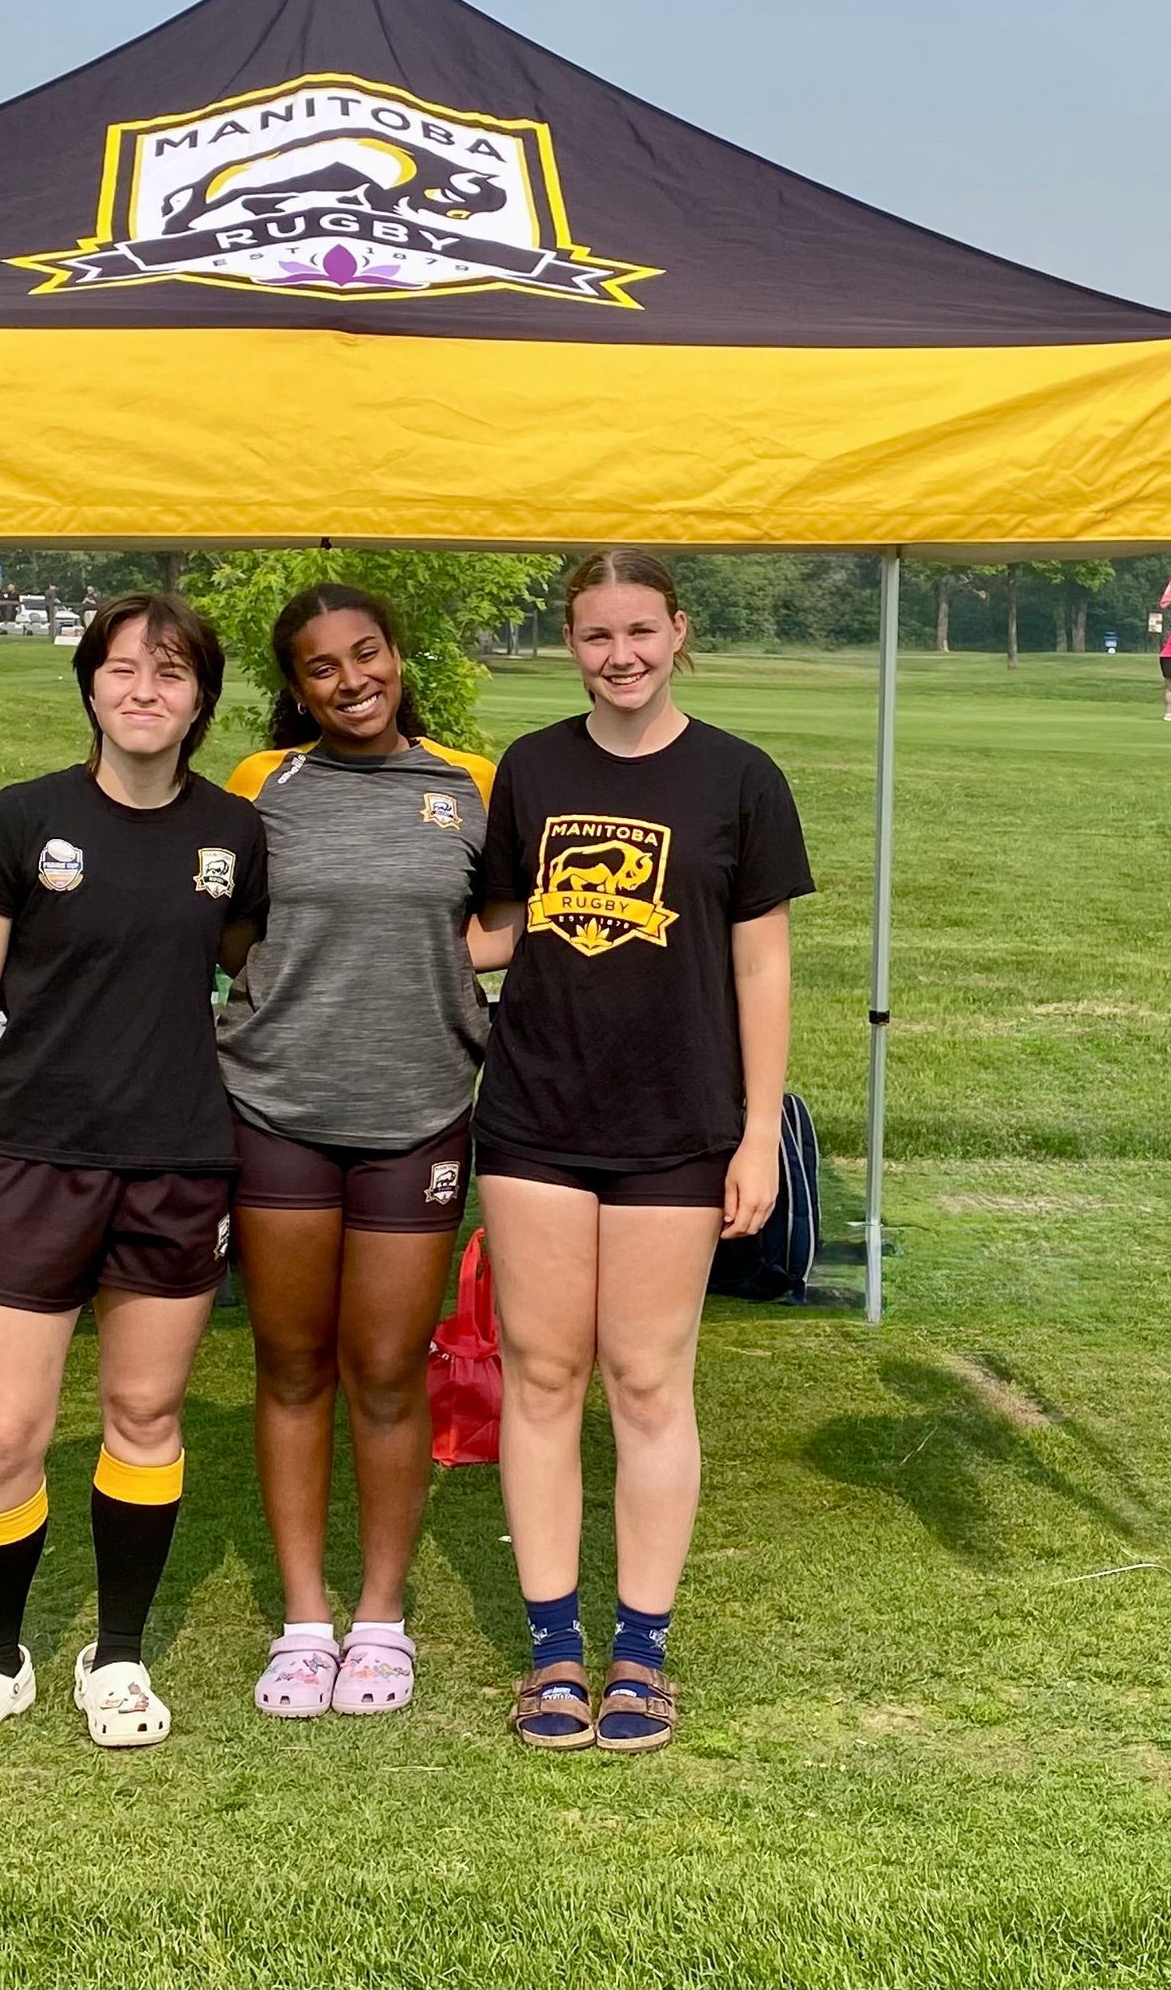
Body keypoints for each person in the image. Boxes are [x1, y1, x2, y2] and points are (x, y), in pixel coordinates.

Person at [0, 591, 267, 1755]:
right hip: (28, 1159)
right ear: (90, 685)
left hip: (176, 1163)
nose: (143, 690)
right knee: (6, 1430)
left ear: (201, 697)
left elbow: (241, 975)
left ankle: (116, 1655)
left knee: (145, 1411)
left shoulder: (233, 836)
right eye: (121, 669)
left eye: (169, 673)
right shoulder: (21, 822)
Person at [473, 549, 813, 1755]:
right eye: (594, 635)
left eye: (638, 631)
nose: (619, 655)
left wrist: (759, 1129)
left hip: (679, 1121)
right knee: (544, 1372)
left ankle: (642, 1649)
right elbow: (505, 928)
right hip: (534, 1121)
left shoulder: (739, 776)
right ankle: (555, 1646)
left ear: (678, 630)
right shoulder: (532, 766)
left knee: (648, 1380)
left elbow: (761, 962)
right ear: (572, 643)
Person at [219, 583, 501, 1719]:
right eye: (322, 666)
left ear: (399, 655)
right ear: (295, 686)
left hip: (420, 1112)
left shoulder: (473, 783)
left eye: (367, 653)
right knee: (292, 1367)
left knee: (388, 1372)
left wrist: (445, 977)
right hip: (275, 1106)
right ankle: (302, 1621)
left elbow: (515, 911)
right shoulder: (259, 784)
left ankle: (380, 1617)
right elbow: (232, 923)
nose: (351, 680)